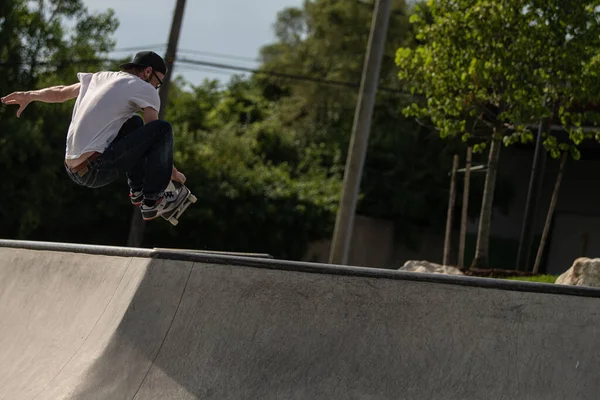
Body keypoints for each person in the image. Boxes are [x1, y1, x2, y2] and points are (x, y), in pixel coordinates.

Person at [1, 51, 187, 221]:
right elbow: (155, 134)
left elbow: (60, 92)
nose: (156, 88)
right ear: (148, 72)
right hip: (96, 169)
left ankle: (138, 191)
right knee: (162, 128)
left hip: (72, 168)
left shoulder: (100, 77)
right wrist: (171, 172)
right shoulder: (145, 89)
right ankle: (152, 200)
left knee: (134, 123)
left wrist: (29, 95)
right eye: (158, 82)